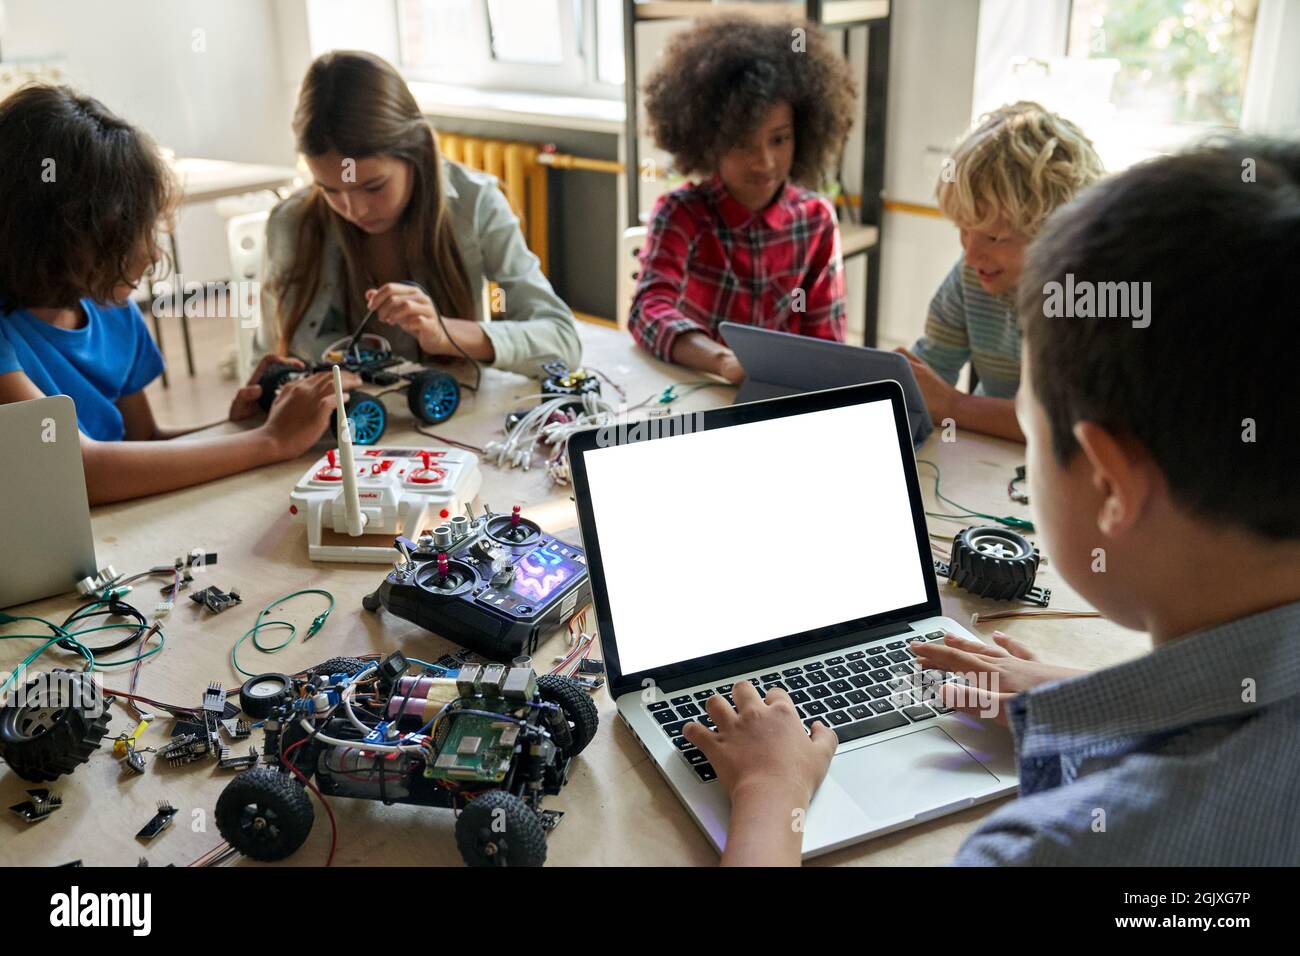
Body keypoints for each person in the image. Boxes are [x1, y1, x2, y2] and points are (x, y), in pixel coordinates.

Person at [681, 138, 1300, 865]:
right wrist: (1085, 697)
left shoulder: (1047, 850)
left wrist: (768, 793)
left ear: (1109, 483)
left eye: (1031, 432)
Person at [0, 85, 347, 505]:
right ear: (57, 232)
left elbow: (142, 441)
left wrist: (240, 428)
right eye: (132, 232)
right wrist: (269, 441)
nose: (151, 254)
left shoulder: (113, 314)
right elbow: (79, 472)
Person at [259, 50, 580, 378]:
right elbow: (271, 357)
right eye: (330, 190)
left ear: (416, 151)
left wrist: (445, 333)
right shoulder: (292, 224)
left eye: (373, 187)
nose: (354, 210)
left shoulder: (476, 203)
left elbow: (562, 344)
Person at [627, 17, 857, 383]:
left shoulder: (816, 221)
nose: (764, 162)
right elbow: (648, 311)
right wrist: (722, 360)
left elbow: (825, 341)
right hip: (699, 387)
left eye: (779, 139)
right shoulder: (682, 213)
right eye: (742, 143)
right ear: (708, 141)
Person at [899, 102, 1104, 441]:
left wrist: (955, 406)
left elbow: (1069, 426)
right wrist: (904, 382)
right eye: (963, 230)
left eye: (994, 237)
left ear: (1055, 233)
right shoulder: (970, 279)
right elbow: (933, 373)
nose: (971, 255)